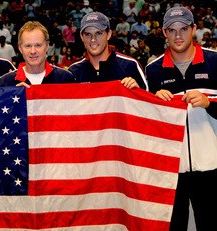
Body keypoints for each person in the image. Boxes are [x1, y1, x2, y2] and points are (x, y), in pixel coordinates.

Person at [145, 7, 217, 230]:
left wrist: (209, 103)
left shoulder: (215, 61)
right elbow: (148, 125)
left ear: (194, 29)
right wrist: (154, 105)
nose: (178, 36)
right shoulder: (153, 70)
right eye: (172, 30)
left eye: (184, 29)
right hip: (171, 168)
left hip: (211, 165)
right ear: (164, 33)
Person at [68, 12, 147, 90]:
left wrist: (137, 92)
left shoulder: (130, 66)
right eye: (88, 34)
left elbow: (148, 100)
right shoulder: (73, 72)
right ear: (82, 37)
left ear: (109, 34)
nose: (93, 39)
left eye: (99, 33)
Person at [0, 21, 75, 87]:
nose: (33, 51)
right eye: (28, 46)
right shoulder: (5, 82)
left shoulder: (65, 78)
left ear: (47, 46)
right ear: (20, 48)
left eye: (38, 45)